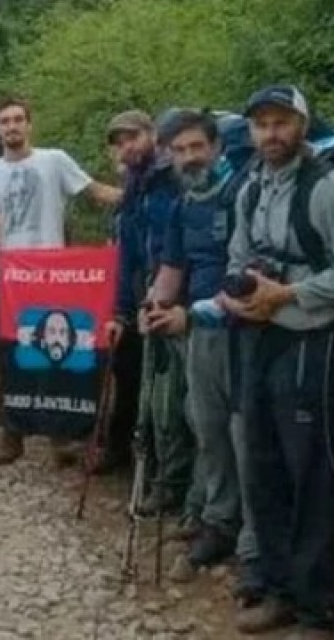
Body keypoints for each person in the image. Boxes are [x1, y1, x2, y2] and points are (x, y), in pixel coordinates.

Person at [218, 86, 334, 637]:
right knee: (263, 463)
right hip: (260, 336)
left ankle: (322, 603)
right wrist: (234, 296)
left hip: (313, 341)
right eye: (261, 124)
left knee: (315, 472)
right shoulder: (250, 188)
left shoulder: (333, 188)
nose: (270, 134)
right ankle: (276, 587)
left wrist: (287, 296)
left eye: (281, 122)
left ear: (302, 123)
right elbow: (235, 257)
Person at [138, 110, 259, 586]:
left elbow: (251, 272)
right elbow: (172, 269)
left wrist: (192, 312)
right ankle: (216, 519)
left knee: (245, 434)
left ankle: (250, 537)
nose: (189, 157)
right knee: (205, 425)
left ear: (216, 147)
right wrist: (155, 303)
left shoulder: (242, 195)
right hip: (201, 331)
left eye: (196, 147)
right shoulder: (183, 203)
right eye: (179, 150)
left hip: (245, 330)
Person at [0, 98, 121, 467]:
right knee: (10, 354)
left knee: (56, 351)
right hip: (9, 278)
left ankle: (59, 435)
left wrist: (137, 190)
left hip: (53, 274)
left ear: (30, 125)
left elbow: (96, 193)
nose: (12, 127)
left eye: (18, 120)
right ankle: (12, 433)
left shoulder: (54, 160)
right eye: (4, 121)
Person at [104, 110, 186, 506]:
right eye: (118, 143)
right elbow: (127, 256)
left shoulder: (173, 179)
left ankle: (167, 479)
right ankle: (128, 456)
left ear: (152, 135)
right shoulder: (133, 186)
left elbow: (180, 246)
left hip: (171, 300)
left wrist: (168, 297)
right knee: (130, 375)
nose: (126, 147)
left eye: (131, 138)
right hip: (138, 296)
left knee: (167, 395)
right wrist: (120, 310)